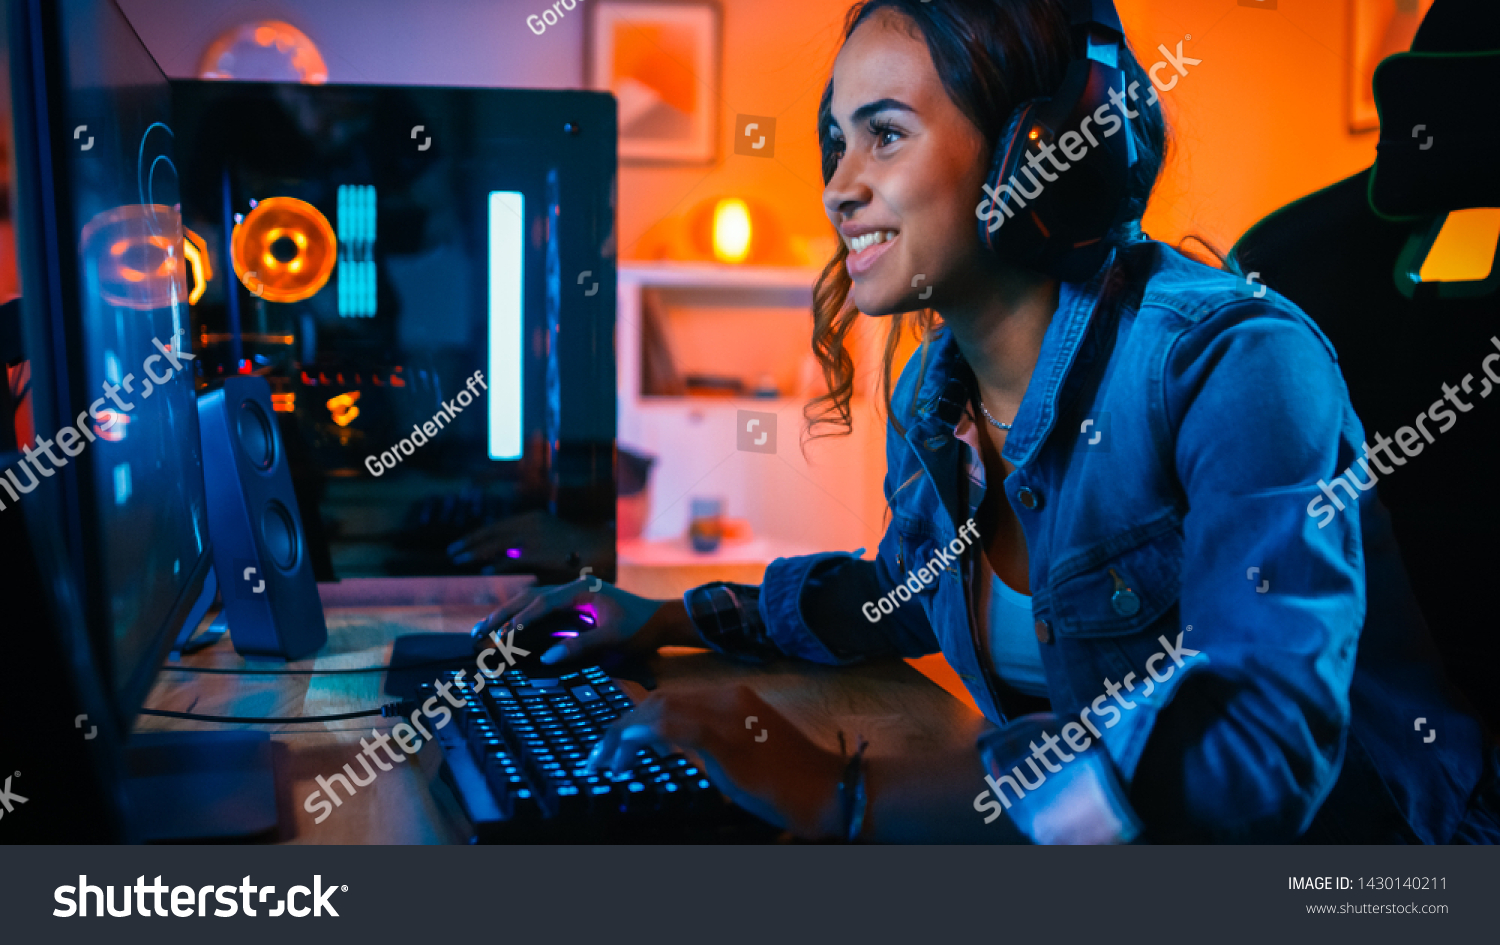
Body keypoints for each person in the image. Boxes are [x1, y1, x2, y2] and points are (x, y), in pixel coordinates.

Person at [474, 0, 1499, 843]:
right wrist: (660, 621)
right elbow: (905, 596)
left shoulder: (1235, 362)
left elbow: (1257, 749)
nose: (838, 187)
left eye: (884, 133)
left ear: (1039, 153)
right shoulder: (936, 390)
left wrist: (847, 797)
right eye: (836, 141)